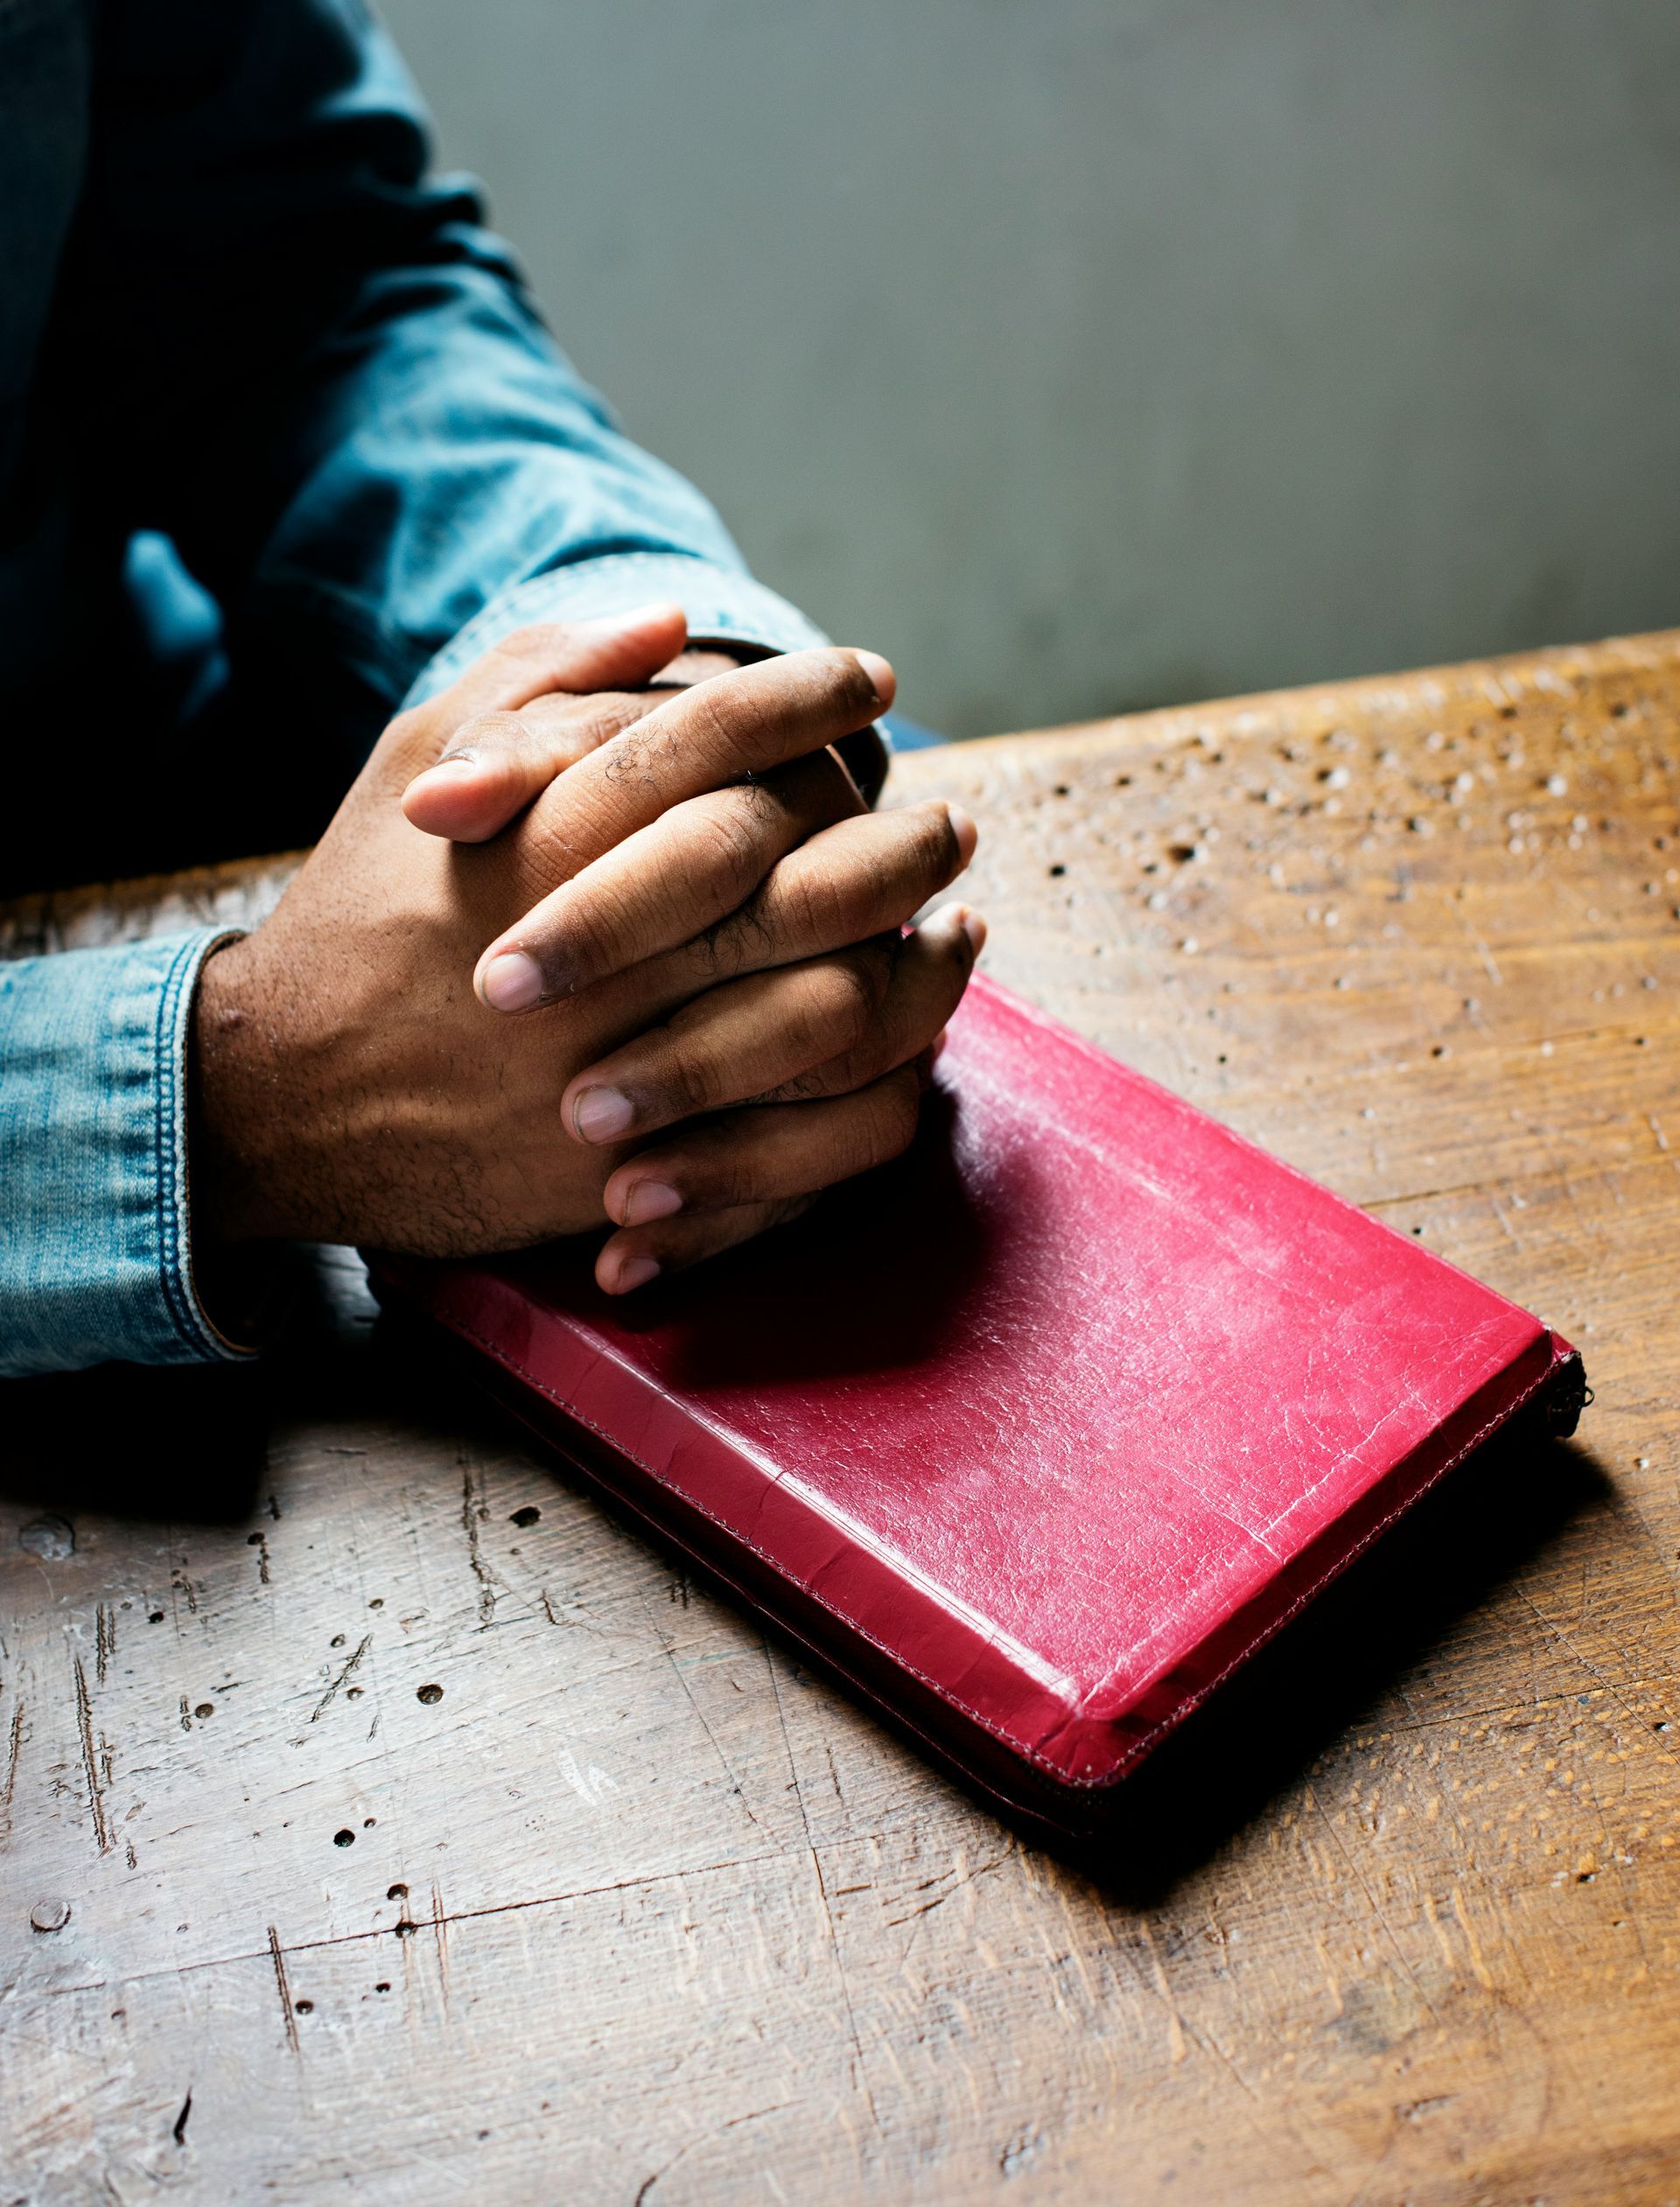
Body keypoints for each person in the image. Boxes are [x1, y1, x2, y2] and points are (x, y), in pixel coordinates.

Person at [0, 0, 981, 1378]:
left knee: (829, 875)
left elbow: (305, 281)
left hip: (136, 721)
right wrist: (229, 1104)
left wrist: (650, 686)